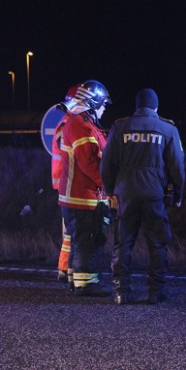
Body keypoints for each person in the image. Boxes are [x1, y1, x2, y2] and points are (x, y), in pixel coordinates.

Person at [101, 88, 185, 305]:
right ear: (156, 107)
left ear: (137, 107)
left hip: (125, 194)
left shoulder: (120, 127)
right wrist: (178, 194)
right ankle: (155, 292)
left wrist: (110, 191)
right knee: (157, 244)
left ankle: (121, 292)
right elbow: (177, 167)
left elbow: (107, 164)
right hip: (154, 195)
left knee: (123, 244)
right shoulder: (167, 129)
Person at [57, 80, 111, 296]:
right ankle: (86, 283)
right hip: (83, 197)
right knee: (88, 241)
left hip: (77, 196)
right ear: (94, 102)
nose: (105, 108)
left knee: (80, 240)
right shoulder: (82, 125)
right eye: (103, 103)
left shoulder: (80, 123)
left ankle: (75, 278)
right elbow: (89, 163)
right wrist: (108, 187)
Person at [52, 84, 80, 288]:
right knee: (71, 233)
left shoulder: (65, 124)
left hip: (66, 186)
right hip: (70, 187)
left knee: (69, 234)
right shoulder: (69, 126)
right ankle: (68, 270)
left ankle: (66, 269)